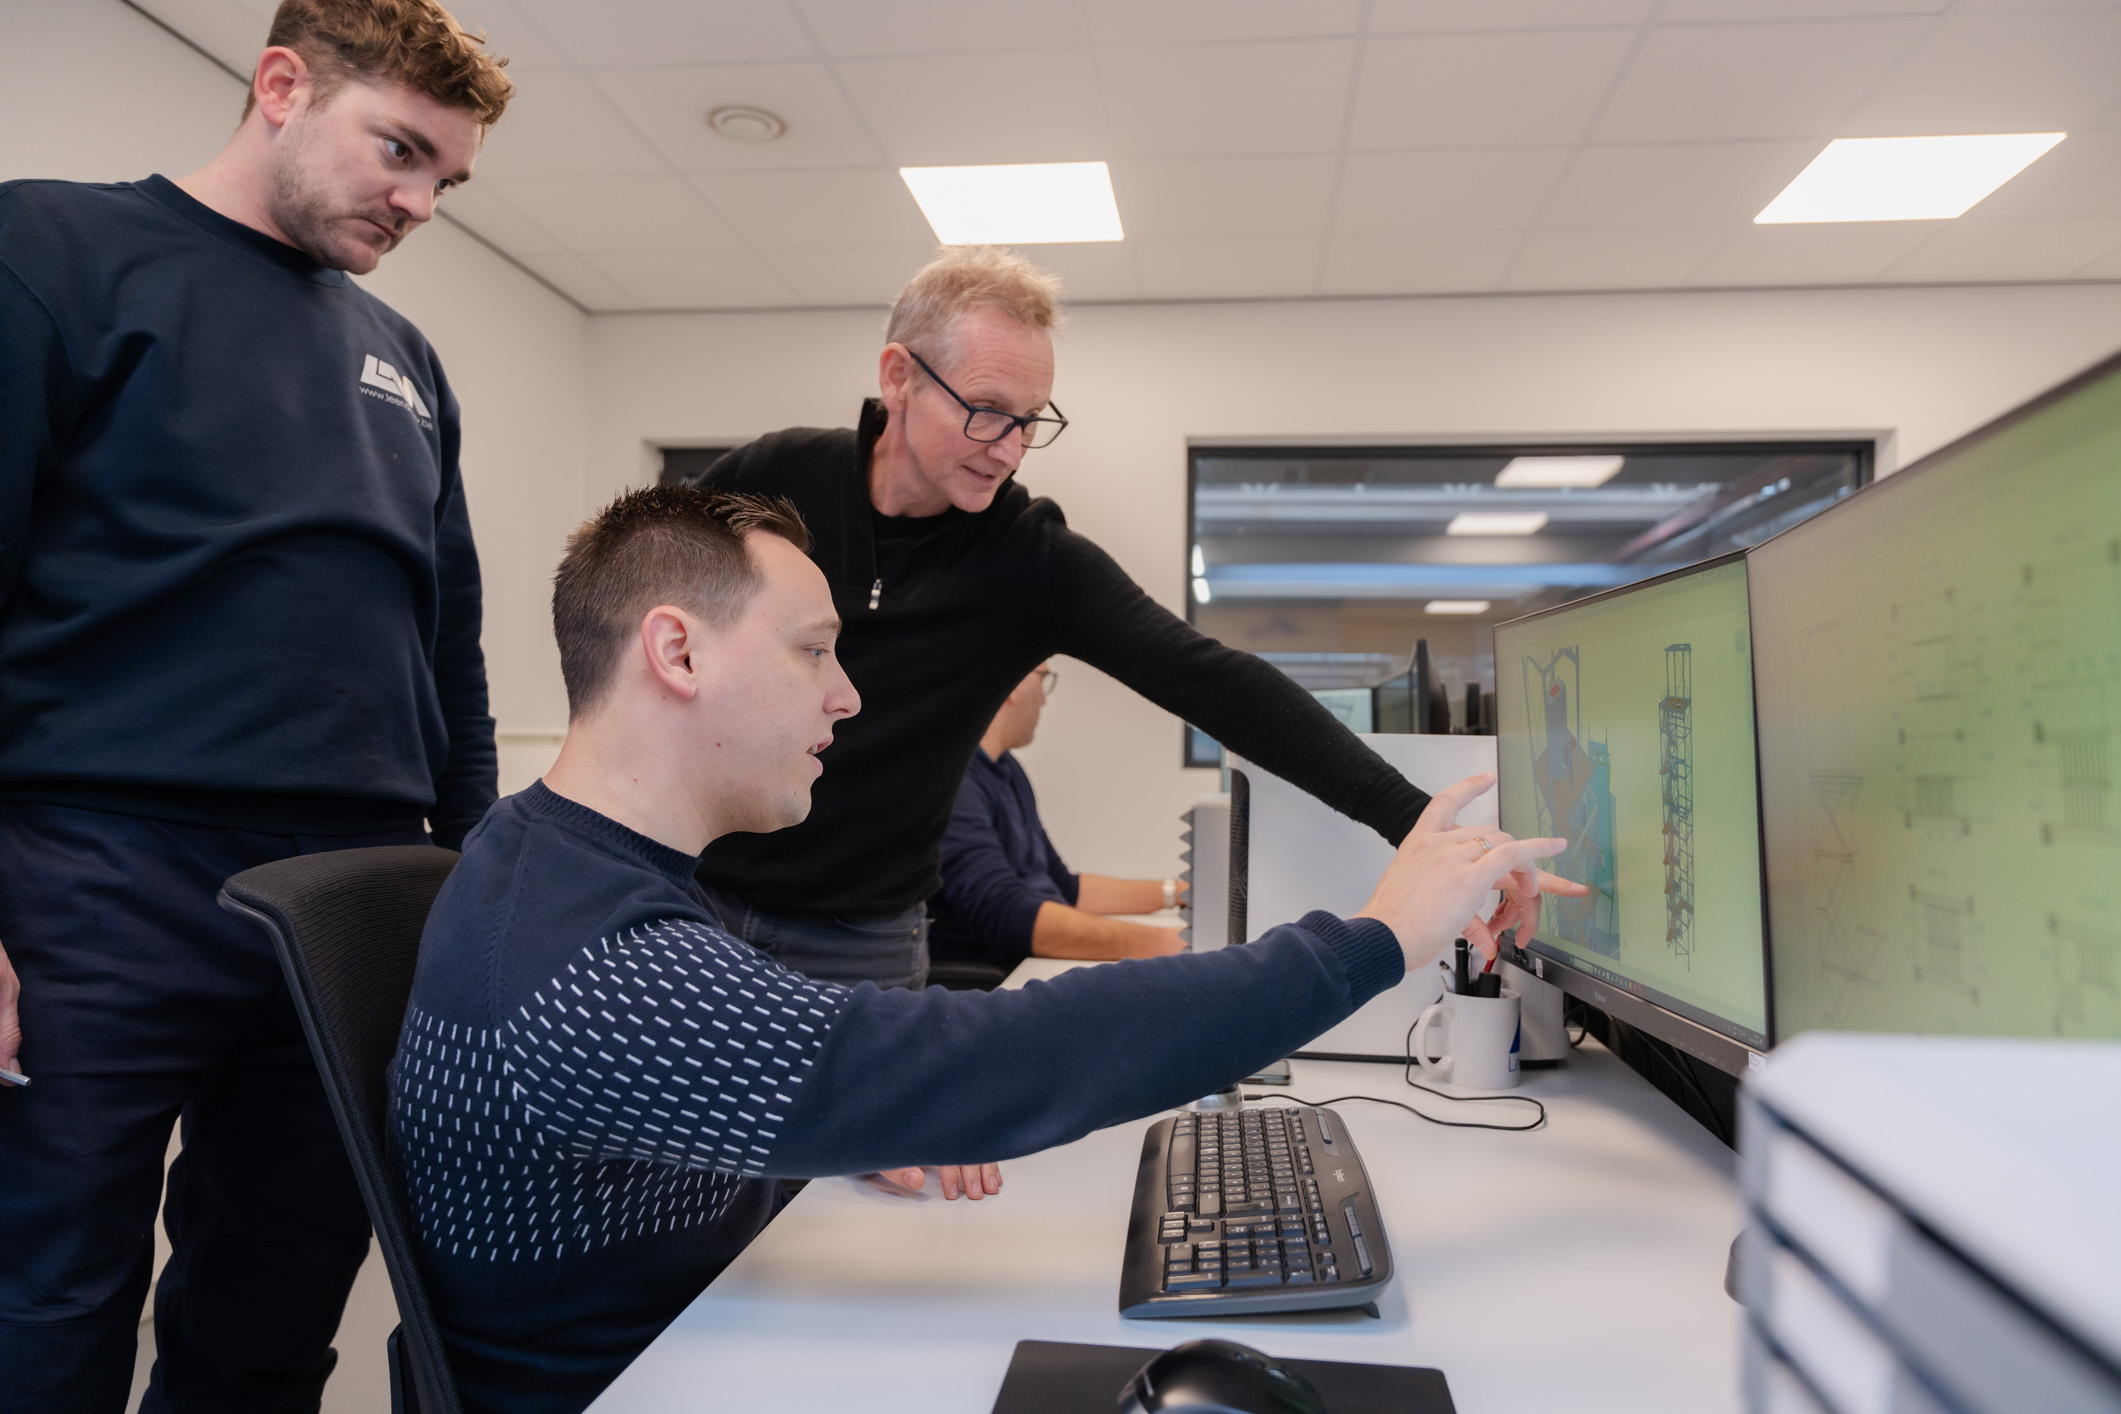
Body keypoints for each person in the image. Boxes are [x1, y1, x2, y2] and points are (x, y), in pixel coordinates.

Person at [392, 485, 1582, 1414]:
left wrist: (823, 1119)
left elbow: (673, 1109)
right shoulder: (585, 959)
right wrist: (1376, 938)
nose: (849, 697)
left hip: (711, 1331)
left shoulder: (552, 864)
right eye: (814, 650)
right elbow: (1004, 1053)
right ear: (678, 652)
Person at [0, 4, 513, 1409]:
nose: (418, 201)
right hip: (95, 878)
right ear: (281, 85)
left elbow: (446, 656)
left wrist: (468, 902)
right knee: (46, 1297)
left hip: (347, 892)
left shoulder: (404, 357)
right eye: (399, 150)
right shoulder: (49, 250)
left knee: (278, 1301)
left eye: (443, 180)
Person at [691, 247, 1434, 992]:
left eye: (1028, 421)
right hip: (691, 899)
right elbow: (618, 605)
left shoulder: (1027, 561)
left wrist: (1411, 819)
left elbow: (1211, 680)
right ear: (899, 377)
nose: (1009, 450)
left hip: (863, 939)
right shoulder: (770, 481)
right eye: (986, 414)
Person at [931, 661, 1189, 969]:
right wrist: (1171, 944)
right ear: (1013, 683)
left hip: (1034, 963)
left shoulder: (1008, 770)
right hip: (1002, 980)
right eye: (1044, 679)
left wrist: (1176, 892)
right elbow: (1003, 913)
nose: (1044, 698)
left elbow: (1066, 887)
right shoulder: (956, 781)